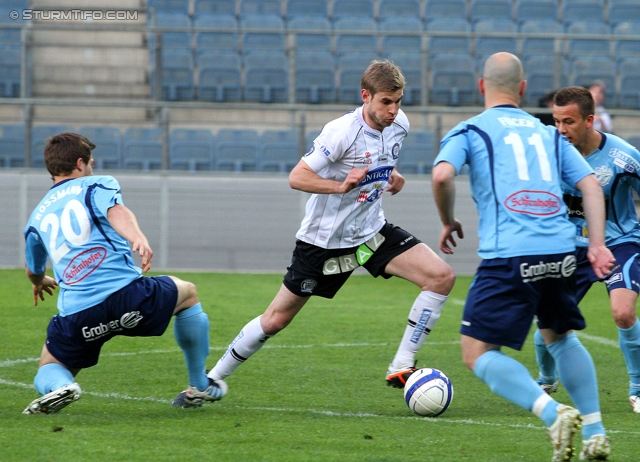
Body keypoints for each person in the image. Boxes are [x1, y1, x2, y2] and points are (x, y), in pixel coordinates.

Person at [200, 60, 455, 399]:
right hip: (324, 243)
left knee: (440, 277)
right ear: (366, 96)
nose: (394, 110)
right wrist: (339, 187)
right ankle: (211, 380)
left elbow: (379, 160)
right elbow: (297, 177)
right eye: (386, 102)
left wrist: (392, 174)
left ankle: (401, 365)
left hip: (371, 232)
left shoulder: (400, 125)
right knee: (276, 320)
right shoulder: (340, 132)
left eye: (399, 101)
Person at [431, 53, 613, 461]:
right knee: (561, 337)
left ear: (482, 87)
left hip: (510, 254)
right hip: (562, 251)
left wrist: (448, 220)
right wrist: (597, 245)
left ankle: (552, 413)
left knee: (476, 352)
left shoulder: (471, 129)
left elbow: (442, 175)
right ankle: (597, 432)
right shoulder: (548, 132)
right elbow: (591, 185)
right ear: (524, 89)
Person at [22, 132, 226, 414]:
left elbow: (32, 268)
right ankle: (198, 385)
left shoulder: (36, 219)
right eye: (91, 161)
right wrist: (136, 237)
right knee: (187, 293)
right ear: (80, 163)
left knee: (50, 364)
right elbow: (116, 211)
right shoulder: (95, 184)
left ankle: (59, 387)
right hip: (128, 299)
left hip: (78, 316)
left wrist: (38, 281)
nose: (92, 167)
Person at [533, 86, 640, 416]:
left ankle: (637, 387)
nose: (561, 130)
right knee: (546, 327)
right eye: (556, 121)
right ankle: (546, 380)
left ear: (590, 120)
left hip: (618, 243)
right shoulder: (548, 152)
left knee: (623, 312)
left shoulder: (622, 157)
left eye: (569, 122)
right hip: (569, 248)